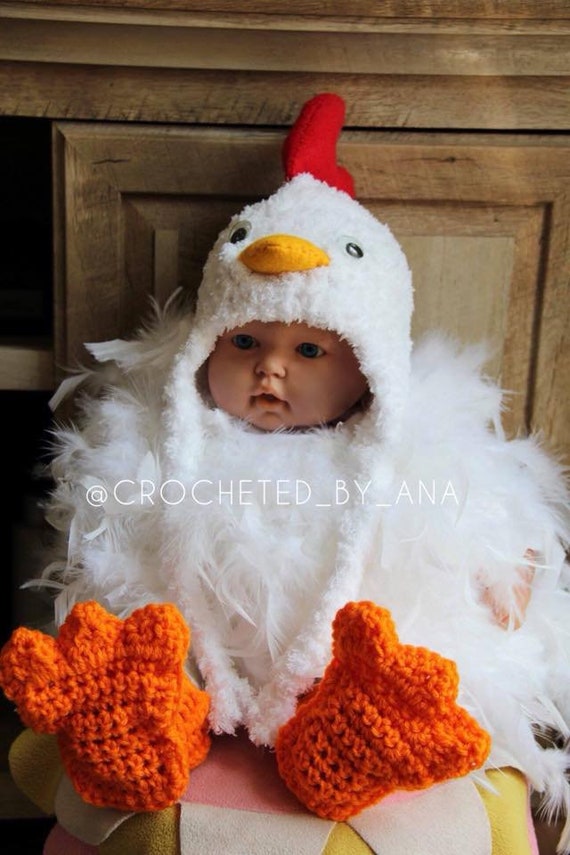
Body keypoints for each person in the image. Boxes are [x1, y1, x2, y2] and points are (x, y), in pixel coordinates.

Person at [1, 93, 569, 854]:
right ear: (205, 348)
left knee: (396, 675)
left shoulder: (411, 452)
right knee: (141, 650)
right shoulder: (170, 440)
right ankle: (141, 722)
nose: (271, 367)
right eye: (245, 341)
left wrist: (506, 560)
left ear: (370, 372)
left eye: (309, 351)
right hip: (201, 671)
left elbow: (480, 509)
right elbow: (110, 542)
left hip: (340, 672)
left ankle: (354, 737)